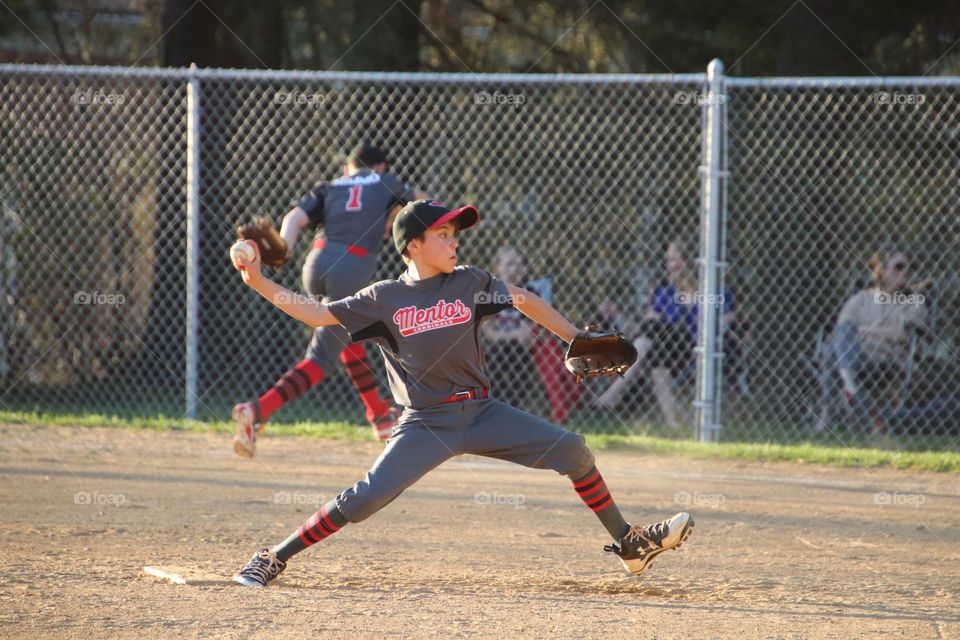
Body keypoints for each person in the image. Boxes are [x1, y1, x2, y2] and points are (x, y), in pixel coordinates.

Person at [229, 200, 693, 586]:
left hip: (482, 411)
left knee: (573, 451)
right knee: (364, 499)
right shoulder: (383, 298)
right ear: (413, 244)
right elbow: (316, 313)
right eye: (444, 234)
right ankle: (275, 556)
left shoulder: (469, 281)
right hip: (426, 423)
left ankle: (629, 543)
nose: (455, 242)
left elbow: (522, 299)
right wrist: (258, 281)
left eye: (455, 234)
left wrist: (572, 336)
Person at [232, 143, 428, 456]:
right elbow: (426, 204)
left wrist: (284, 247)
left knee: (348, 331)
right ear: (380, 167)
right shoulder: (386, 182)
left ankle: (378, 416)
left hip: (316, 263)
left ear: (347, 169)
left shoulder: (330, 186)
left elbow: (294, 219)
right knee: (322, 357)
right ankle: (256, 411)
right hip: (351, 268)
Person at [594, 240, 734, 429]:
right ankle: (673, 423)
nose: (670, 265)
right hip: (666, 350)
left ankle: (613, 394)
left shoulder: (713, 292)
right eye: (668, 260)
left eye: (675, 259)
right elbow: (640, 330)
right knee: (649, 345)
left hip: (695, 347)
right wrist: (617, 315)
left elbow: (727, 322)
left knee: (651, 336)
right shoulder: (665, 293)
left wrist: (708, 339)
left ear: (692, 261)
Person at [817, 245, 926, 432]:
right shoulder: (860, 299)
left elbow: (901, 335)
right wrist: (860, 332)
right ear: (881, 270)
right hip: (856, 355)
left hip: (887, 361)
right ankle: (849, 385)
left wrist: (862, 330)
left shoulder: (914, 301)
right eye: (899, 267)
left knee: (834, 352)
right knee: (835, 346)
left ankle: (837, 402)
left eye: (910, 267)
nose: (906, 272)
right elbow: (841, 331)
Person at [481, 246, 584, 422]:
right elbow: (489, 333)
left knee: (516, 351)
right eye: (510, 265)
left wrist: (514, 335)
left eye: (519, 266)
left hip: (522, 348)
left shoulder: (530, 293)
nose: (515, 270)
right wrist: (513, 335)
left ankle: (513, 410)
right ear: (497, 267)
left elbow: (528, 333)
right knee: (499, 351)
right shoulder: (488, 293)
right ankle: (498, 409)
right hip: (495, 346)